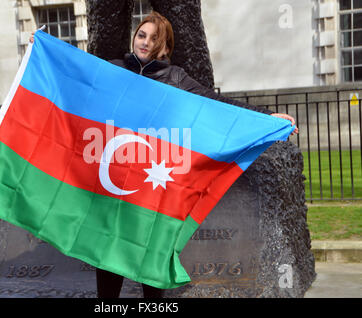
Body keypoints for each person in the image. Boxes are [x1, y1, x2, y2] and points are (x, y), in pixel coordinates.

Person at [29, 11, 298, 298]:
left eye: (154, 38)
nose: (145, 42)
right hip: (115, 178)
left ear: (166, 47)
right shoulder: (114, 69)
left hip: (154, 182)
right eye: (141, 35)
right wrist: (43, 48)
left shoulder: (175, 78)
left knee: (150, 249)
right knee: (108, 248)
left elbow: (217, 103)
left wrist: (268, 117)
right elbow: (75, 74)